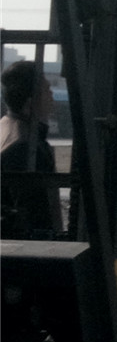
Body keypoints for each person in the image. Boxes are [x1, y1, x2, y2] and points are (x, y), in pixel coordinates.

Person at [1, 61, 62, 238]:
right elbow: (36, 217)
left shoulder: (6, 128)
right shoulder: (26, 148)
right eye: (47, 90)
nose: (52, 95)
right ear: (30, 102)